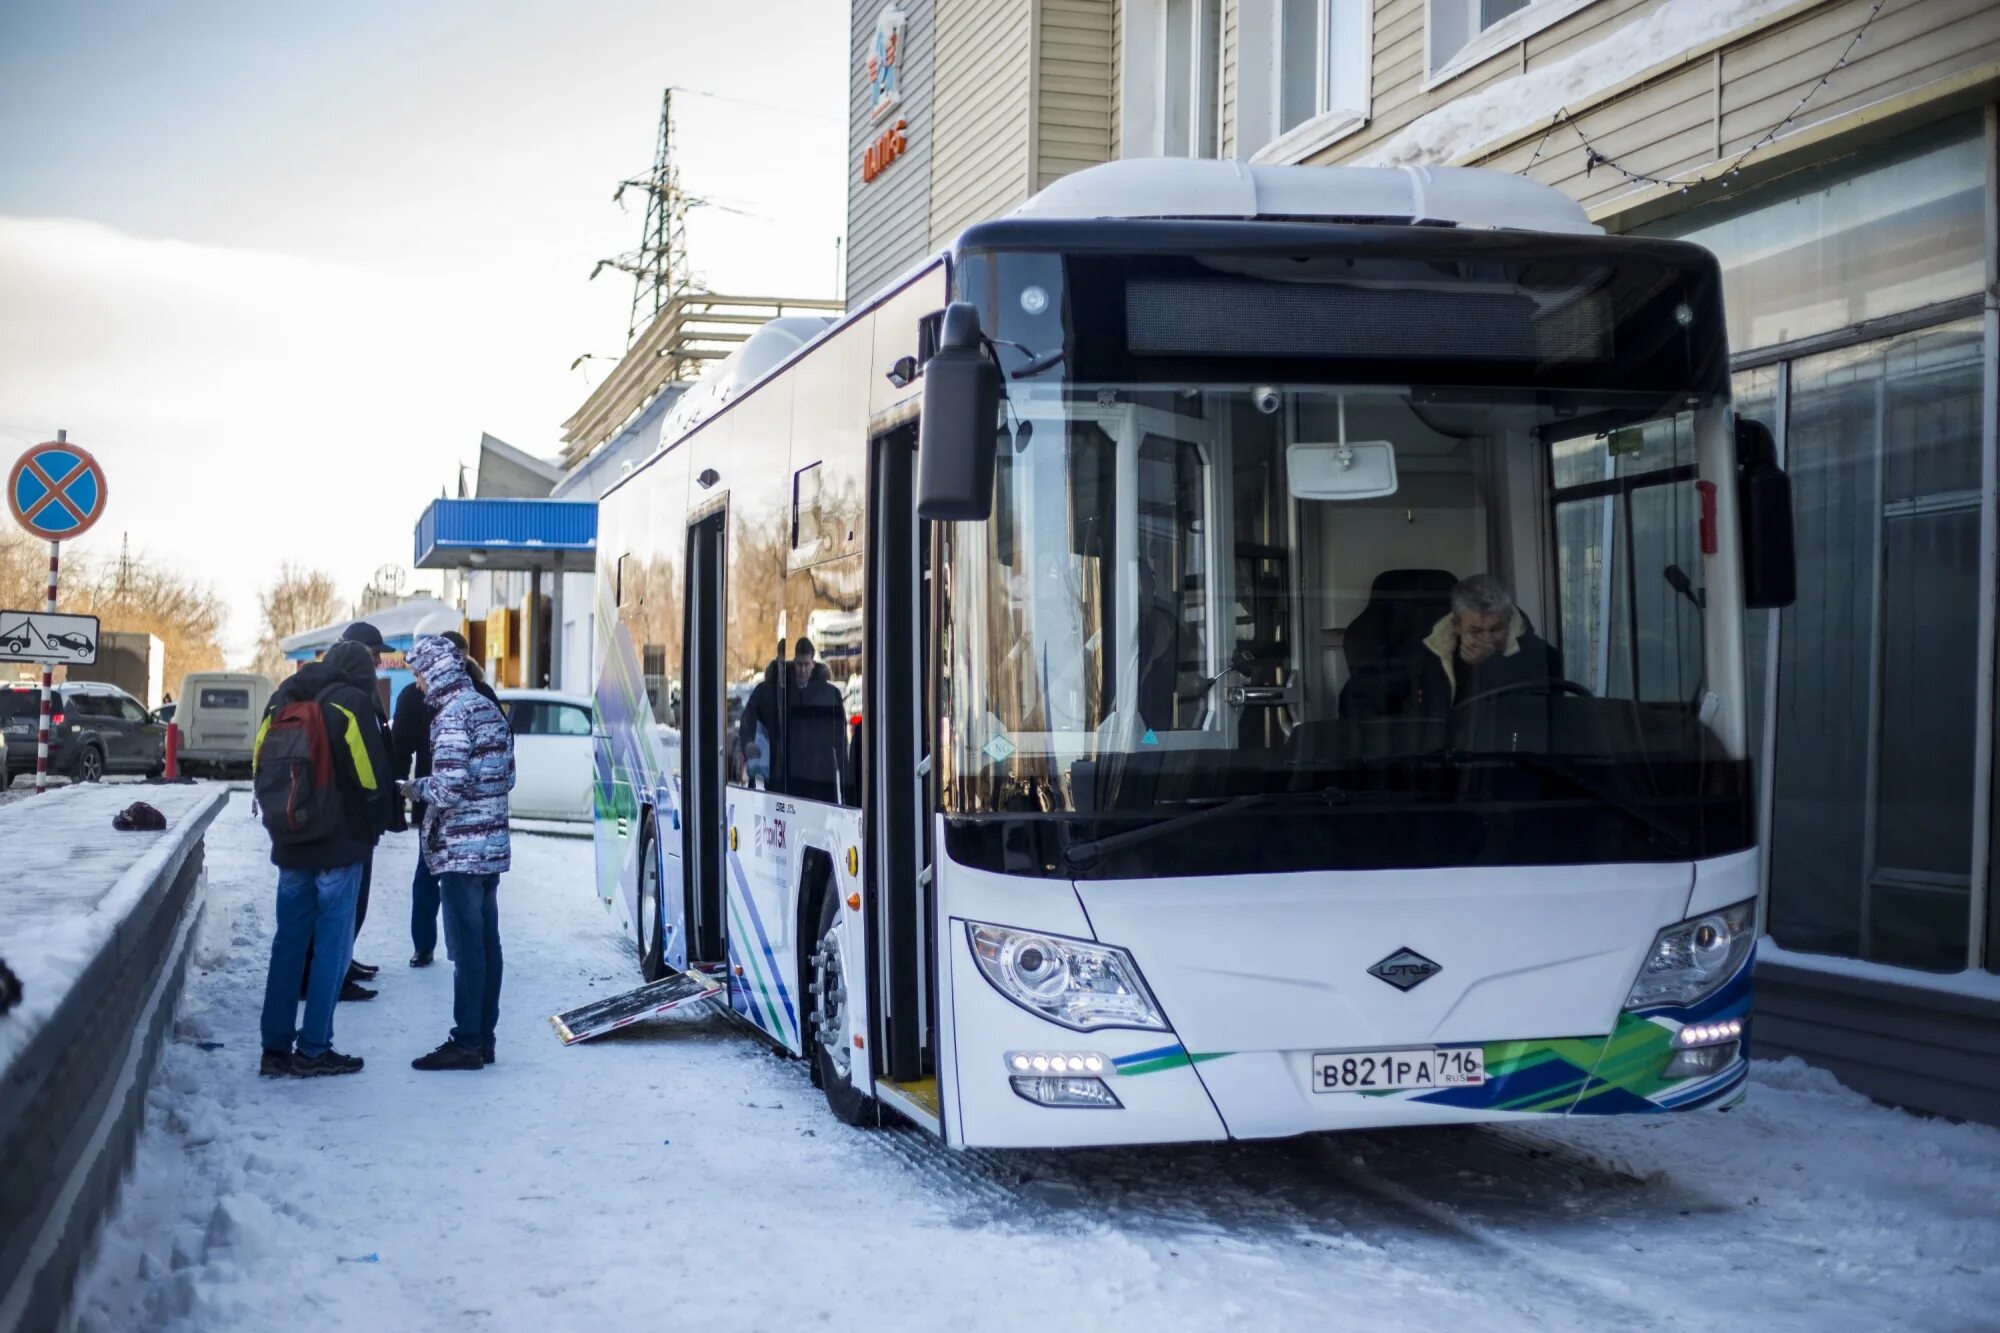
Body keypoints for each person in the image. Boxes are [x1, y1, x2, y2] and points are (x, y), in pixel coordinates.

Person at [254, 639, 393, 1078]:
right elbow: (371, 776)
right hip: (339, 843)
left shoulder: (283, 697)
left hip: (290, 841)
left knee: (289, 942)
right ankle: (314, 1048)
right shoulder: (351, 702)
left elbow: (259, 761)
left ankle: (274, 1049)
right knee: (332, 946)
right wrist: (374, 824)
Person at [404, 634, 516, 1071]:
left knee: (466, 949)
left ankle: (466, 1040)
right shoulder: (487, 708)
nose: (417, 685)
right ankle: (484, 1037)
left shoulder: (451, 716)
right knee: (487, 945)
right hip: (490, 849)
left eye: (419, 675)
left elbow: (448, 788)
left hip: (461, 850)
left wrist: (414, 788)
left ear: (435, 672)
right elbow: (507, 776)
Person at [391, 631, 497, 966]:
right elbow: (400, 750)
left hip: (442, 804)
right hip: (455, 809)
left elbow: (401, 753)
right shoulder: (477, 696)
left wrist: (407, 793)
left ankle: (443, 949)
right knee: (456, 882)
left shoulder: (468, 697)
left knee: (438, 878)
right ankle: (447, 945)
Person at [1408, 575, 1564, 719]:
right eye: (1476, 631)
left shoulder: (1544, 657)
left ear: (1509, 620)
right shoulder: (1429, 655)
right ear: (1456, 625)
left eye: (1496, 629)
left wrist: (1490, 664)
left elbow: (1529, 719)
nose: (1487, 639)